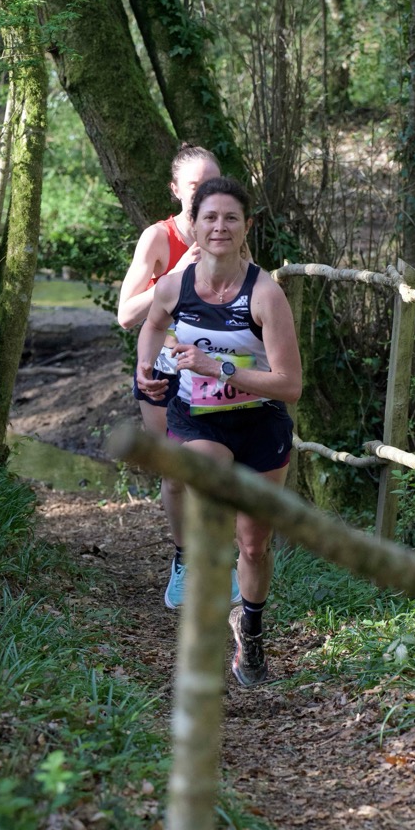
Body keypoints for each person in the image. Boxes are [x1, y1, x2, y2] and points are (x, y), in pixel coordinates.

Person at [136, 176, 302, 687]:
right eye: (210, 217)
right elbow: (152, 324)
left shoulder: (265, 294)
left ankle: (249, 628)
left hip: (260, 424)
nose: (220, 227)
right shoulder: (175, 286)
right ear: (195, 224)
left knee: (254, 545)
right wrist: (146, 366)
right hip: (197, 419)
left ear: (246, 226)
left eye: (231, 217)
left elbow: (290, 385)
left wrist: (220, 369)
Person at [117, 144, 226, 609]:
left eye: (212, 183)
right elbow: (126, 315)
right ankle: (184, 562)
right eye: (196, 186)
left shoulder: (226, 231)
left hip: (214, 368)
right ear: (176, 190)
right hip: (163, 370)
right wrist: (176, 274)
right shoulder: (158, 238)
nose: (205, 194)